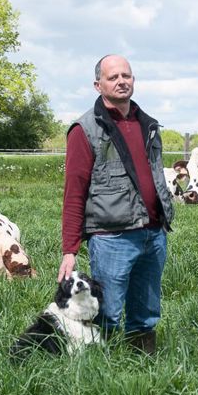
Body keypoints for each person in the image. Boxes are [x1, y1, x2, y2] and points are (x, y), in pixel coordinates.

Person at [58, 54, 174, 355]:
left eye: (127, 75)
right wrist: (69, 250)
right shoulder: (85, 130)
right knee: (107, 310)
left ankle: (142, 363)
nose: (122, 81)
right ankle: (104, 370)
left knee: (147, 309)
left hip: (152, 232)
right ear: (98, 85)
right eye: (113, 77)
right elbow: (74, 192)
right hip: (112, 237)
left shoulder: (147, 124)